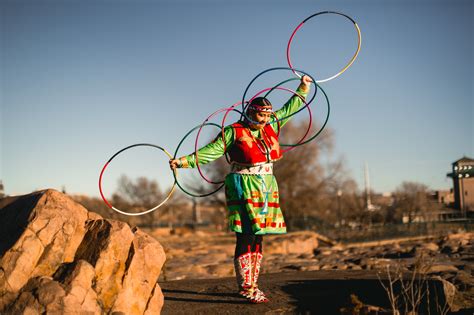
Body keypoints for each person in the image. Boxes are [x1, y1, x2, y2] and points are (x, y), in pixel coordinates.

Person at [169, 75, 312, 303]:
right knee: (245, 235)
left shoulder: (271, 126)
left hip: (266, 186)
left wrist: (303, 87)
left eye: (267, 115)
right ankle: (246, 287)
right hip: (243, 185)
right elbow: (212, 151)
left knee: (258, 236)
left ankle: (253, 283)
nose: (264, 119)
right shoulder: (233, 131)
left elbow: (289, 109)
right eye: (260, 115)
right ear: (250, 112)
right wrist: (183, 162)